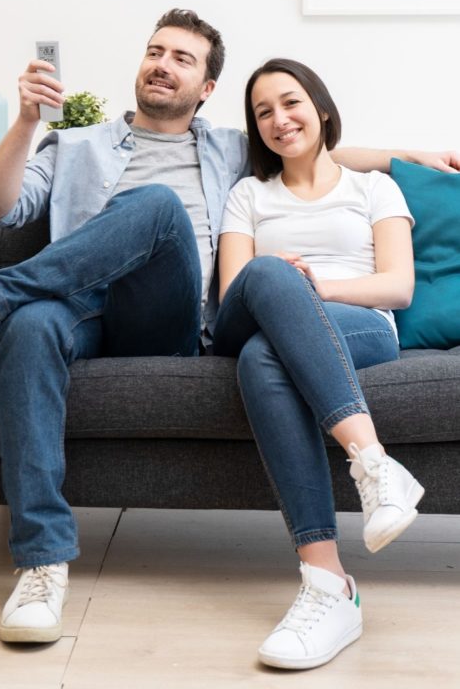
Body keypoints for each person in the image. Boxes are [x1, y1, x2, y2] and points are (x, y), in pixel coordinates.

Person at [0, 12, 459, 647]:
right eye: (155, 51)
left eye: (183, 59)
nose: (163, 64)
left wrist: (407, 158)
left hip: (165, 317)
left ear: (206, 89)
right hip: (74, 310)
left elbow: (312, 148)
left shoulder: (230, 148)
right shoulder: (75, 144)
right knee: (31, 324)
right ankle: (42, 564)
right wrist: (28, 121)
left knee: (154, 205)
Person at [211, 57, 424, 671]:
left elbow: (398, 287)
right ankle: (374, 463)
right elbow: (234, 293)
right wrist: (285, 284)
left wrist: (320, 288)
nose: (279, 119)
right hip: (253, 314)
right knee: (267, 277)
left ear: (321, 108)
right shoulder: (248, 195)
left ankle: (328, 583)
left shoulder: (374, 188)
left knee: (263, 359)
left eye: (291, 102)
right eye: (263, 112)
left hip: (359, 327)